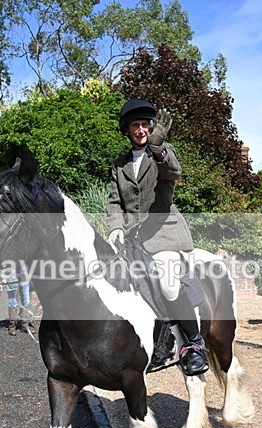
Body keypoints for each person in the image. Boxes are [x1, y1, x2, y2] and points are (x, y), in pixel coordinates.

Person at [106, 98, 208, 376]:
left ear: (152, 128)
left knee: (169, 284)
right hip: (131, 239)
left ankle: (194, 345)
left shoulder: (163, 152)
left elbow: (173, 172)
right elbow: (115, 201)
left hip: (165, 235)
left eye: (145, 125)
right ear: (126, 130)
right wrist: (115, 227)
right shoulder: (119, 165)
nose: (140, 130)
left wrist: (159, 148)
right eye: (135, 126)